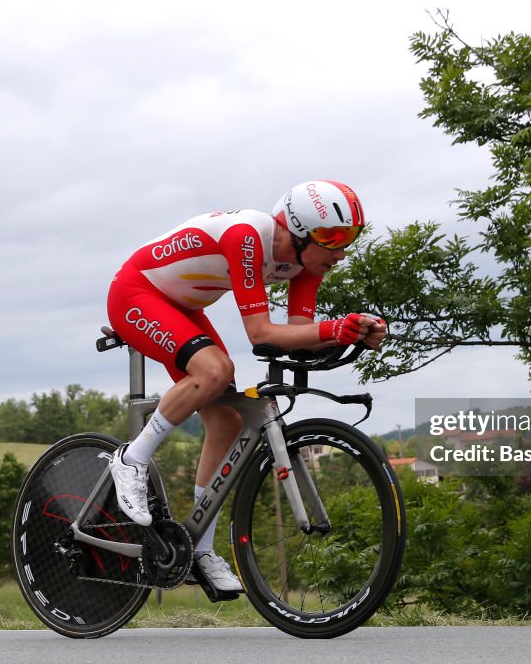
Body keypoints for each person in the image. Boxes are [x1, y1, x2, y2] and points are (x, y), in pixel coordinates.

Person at [105, 179, 387, 593]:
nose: (340, 252)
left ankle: (199, 549)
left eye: (349, 238)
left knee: (229, 421)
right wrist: (333, 328)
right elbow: (260, 334)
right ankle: (131, 459)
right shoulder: (248, 236)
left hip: (180, 306)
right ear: (296, 229)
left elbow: (296, 336)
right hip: (137, 292)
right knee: (216, 370)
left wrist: (353, 332)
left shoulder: (307, 264)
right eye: (331, 237)